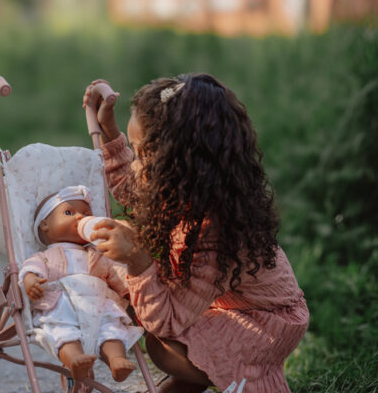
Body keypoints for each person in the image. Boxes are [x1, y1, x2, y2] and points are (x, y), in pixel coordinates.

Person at [82, 74, 309, 393]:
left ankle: (239, 375)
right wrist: (110, 134)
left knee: (163, 344)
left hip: (266, 322)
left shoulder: (214, 232)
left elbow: (166, 321)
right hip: (239, 308)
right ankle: (190, 381)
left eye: (141, 155)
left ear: (177, 163)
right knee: (153, 311)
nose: (135, 167)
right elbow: (135, 191)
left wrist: (137, 259)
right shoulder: (189, 191)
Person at [20, 185, 142, 383]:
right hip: (63, 305)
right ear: (45, 224)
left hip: (99, 305)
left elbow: (116, 274)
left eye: (86, 214)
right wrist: (30, 280)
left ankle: (116, 360)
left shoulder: (96, 253)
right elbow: (31, 267)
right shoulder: (46, 256)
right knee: (62, 332)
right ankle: (75, 359)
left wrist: (131, 291)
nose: (79, 218)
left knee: (111, 330)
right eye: (69, 212)